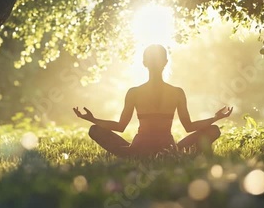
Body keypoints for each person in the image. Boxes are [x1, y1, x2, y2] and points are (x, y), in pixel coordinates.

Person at [73, 44, 233, 157]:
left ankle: (130, 155)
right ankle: (173, 156)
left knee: (95, 130)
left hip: (138, 149)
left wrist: (92, 119)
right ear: (165, 62)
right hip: (168, 150)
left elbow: (120, 127)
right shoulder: (177, 92)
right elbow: (189, 126)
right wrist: (215, 118)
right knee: (214, 130)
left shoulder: (134, 92)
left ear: (144, 63)